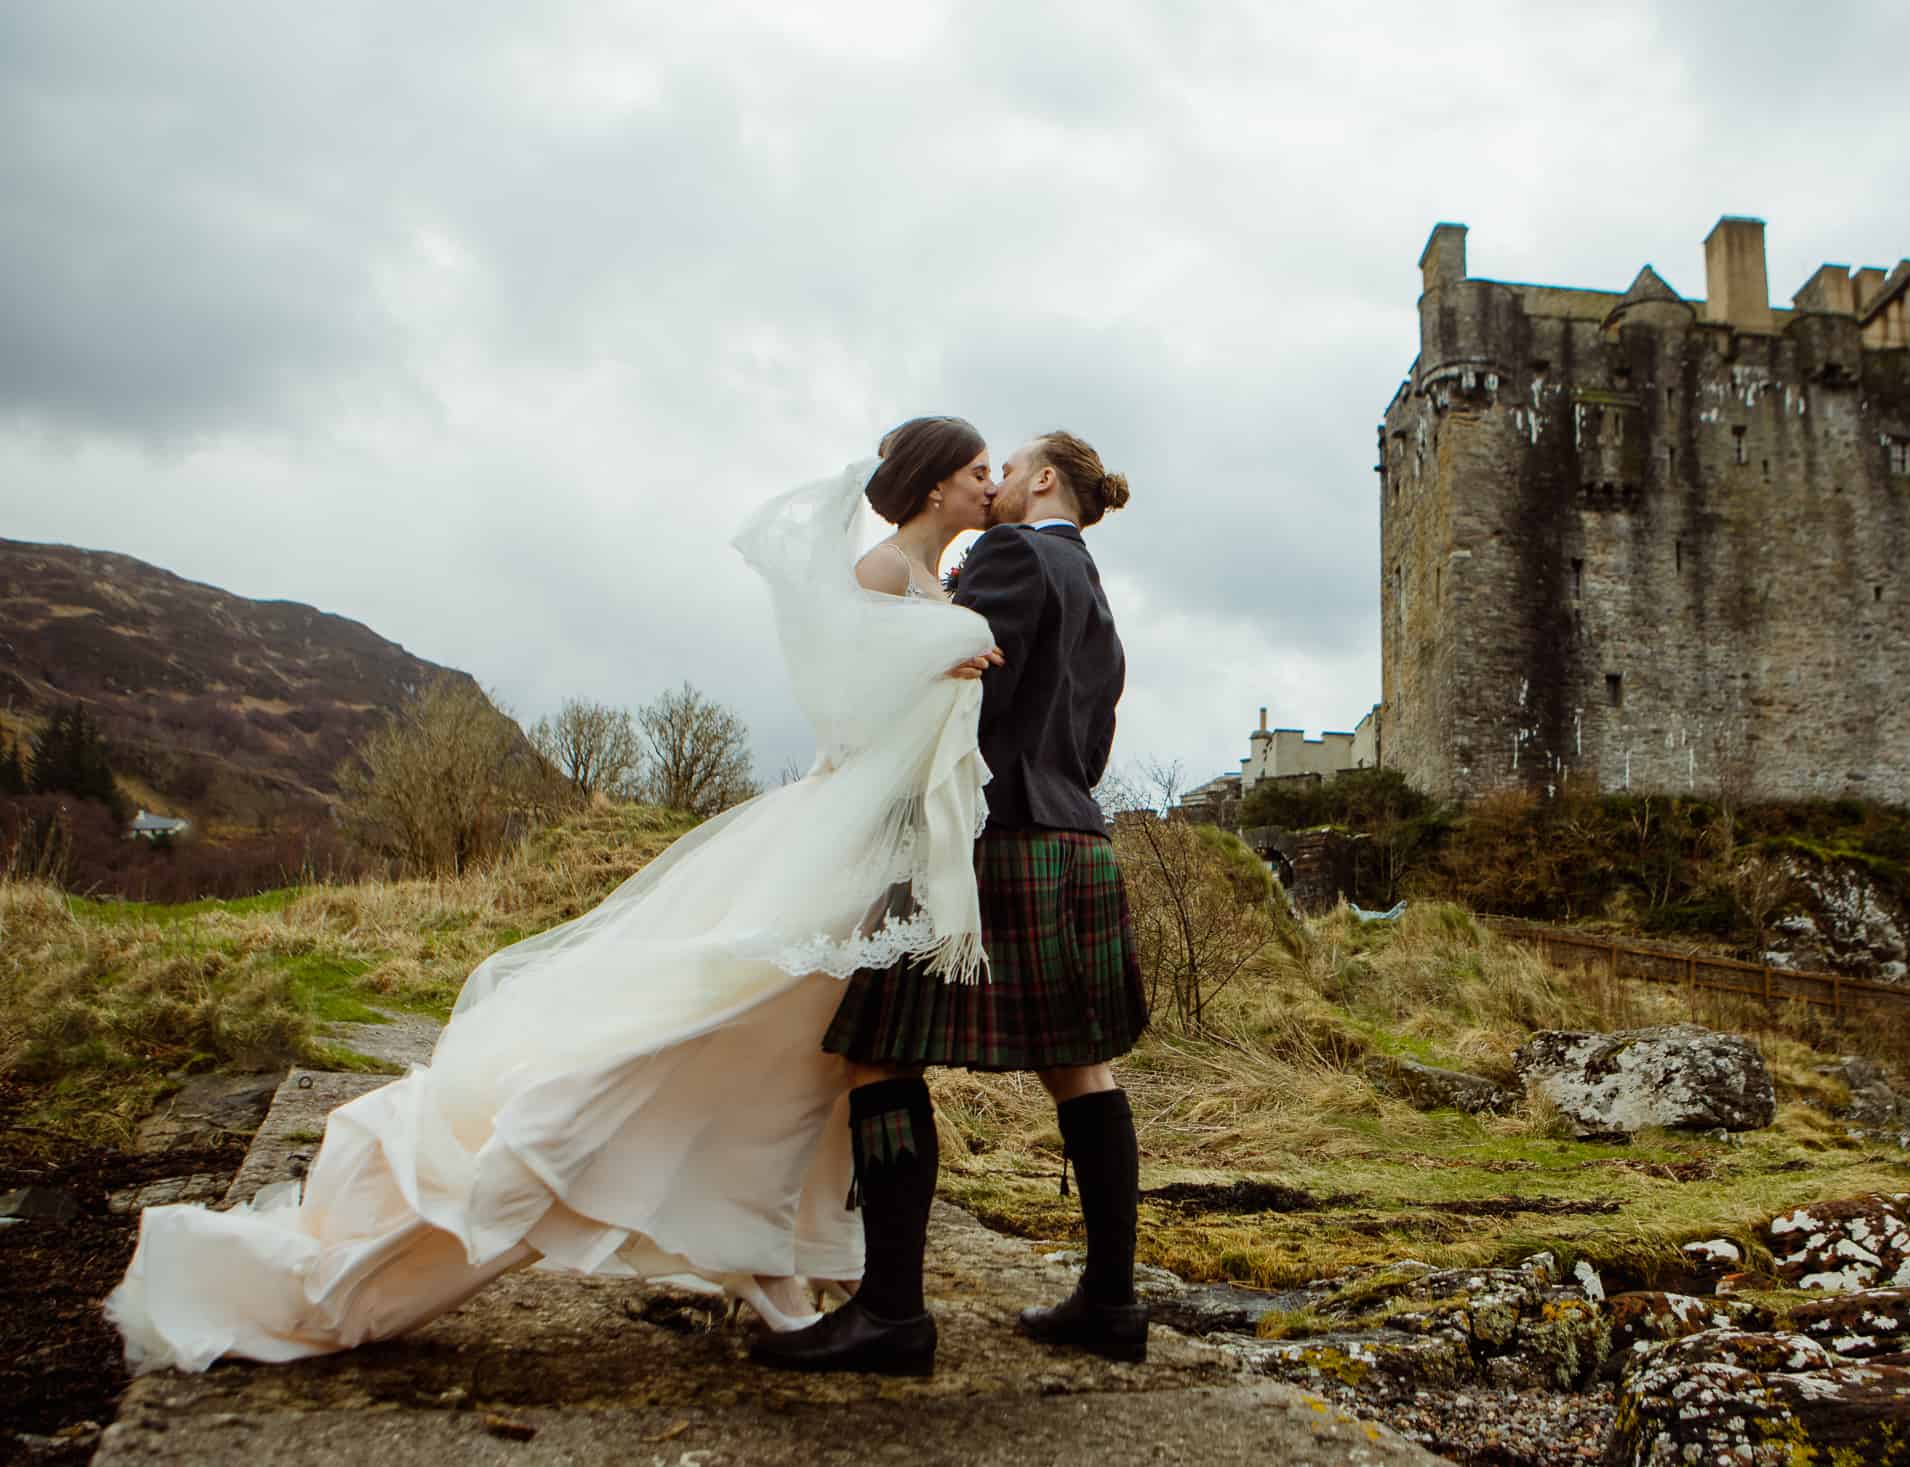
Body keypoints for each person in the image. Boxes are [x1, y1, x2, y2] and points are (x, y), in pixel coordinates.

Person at [103, 419, 1005, 1373]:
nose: (992, 486)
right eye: (979, 471)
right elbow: (842, 711)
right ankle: (570, 1211)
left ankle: (767, 1263)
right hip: (830, 849)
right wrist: (928, 662)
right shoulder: (878, 573)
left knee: (795, 1069)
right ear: (937, 486)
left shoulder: (939, 582)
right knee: (712, 1039)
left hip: (874, 857)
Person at [750, 431, 1146, 1380]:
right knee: (1080, 1067)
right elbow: (1090, 739)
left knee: (878, 1052)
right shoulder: (1094, 589)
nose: (997, 481)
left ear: (1044, 478)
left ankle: (891, 1313)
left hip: (995, 836)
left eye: (1008, 467)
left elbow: (950, 686)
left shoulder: (1014, 554)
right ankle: (1114, 1302)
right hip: (1076, 838)